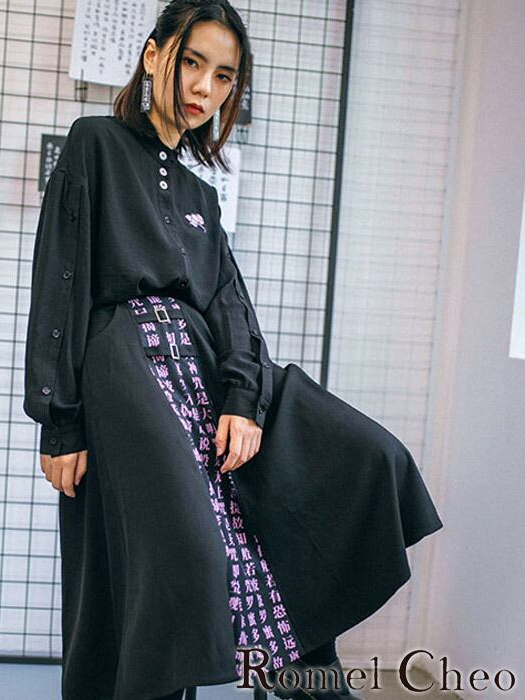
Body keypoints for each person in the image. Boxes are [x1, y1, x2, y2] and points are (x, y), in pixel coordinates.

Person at [23, 2, 443, 699]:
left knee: (362, 461)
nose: (204, 88)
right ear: (154, 55)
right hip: (126, 372)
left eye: (223, 76)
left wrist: (245, 399)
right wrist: (59, 420)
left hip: (203, 371)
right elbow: (60, 279)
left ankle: (307, 680)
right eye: (192, 62)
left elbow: (230, 307)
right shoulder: (94, 143)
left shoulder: (201, 193)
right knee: (186, 560)